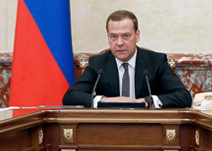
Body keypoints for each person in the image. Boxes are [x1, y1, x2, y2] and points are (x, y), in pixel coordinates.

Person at [62, 10, 192, 108]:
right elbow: (70, 96)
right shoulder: (99, 64)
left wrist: (149, 101)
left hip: (148, 127)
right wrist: (105, 100)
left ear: (137, 35)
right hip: (109, 127)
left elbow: (183, 96)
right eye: (113, 36)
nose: (119, 43)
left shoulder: (155, 61)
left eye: (126, 36)